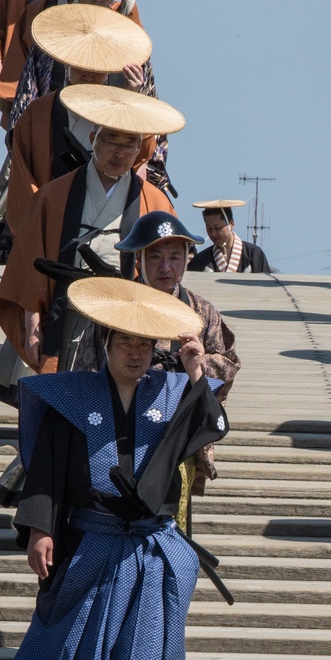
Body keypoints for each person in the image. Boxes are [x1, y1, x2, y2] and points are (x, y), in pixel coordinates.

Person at [0, 278, 229, 660]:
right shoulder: (73, 396)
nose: (135, 355)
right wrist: (41, 529)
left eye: (144, 346)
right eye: (124, 344)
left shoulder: (174, 391)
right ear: (104, 346)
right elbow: (43, 468)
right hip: (93, 542)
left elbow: (214, 426)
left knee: (159, 658)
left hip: (154, 546)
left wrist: (195, 368)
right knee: (96, 657)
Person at [0, 85, 183, 380]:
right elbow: (29, 261)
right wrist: (32, 319)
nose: (119, 153)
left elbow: (167, 269)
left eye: (129, 144)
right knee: (58, 392)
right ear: (94, 139)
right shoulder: (53, 195)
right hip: (66, 310)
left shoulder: (155, 201)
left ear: (140, 149)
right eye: (111, 141)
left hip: (125, 319)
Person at [117, 211, 241, 516]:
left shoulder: (202, 311)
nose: (165, 266)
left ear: (188, 258)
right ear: (139, 259)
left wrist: (196, 365)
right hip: (119, 430)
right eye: (155, 256)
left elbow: (228, 364)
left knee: (172, 522)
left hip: (177, 436)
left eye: (175, 256)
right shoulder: (114, 307)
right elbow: (89, 370)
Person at [5, 2, 156, 240]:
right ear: (65, 62)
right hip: (52, 218)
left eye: (97, 67)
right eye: (81, 65)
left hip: (112, 220)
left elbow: (142, 154)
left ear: (110, 69)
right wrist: (40, 214)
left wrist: (130, 100)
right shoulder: (38, 112)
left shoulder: (121, 104)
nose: (89, 74)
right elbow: (23, 174)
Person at [4, 0, 143, 132]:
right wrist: (24, 136)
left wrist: (133, 92)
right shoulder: (51, 37)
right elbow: (28, 94)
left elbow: (146, 107)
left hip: (109, 136)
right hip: (54, 129)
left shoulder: (130, 43)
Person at [188, 202, 270, 274]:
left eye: (217, 228)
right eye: (209, 228)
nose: (213, 233)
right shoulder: (199, 260)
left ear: (231, 224)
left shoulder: (254, 255)